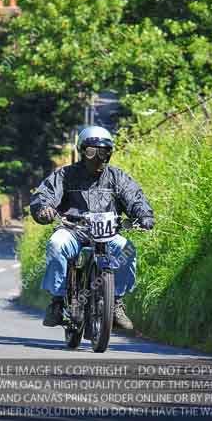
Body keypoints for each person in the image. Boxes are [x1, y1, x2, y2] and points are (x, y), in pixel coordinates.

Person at [30, 126, 155, 330]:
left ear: (110, 153)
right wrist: (43, 209)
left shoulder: (118, 177)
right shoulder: (64, 175)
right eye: (91, 151)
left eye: (103, 151)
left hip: (108, 235)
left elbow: (135, 198)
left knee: (127, 249)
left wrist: (144, 215)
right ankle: (57, 301)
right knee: (55, 244)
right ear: (82, 151)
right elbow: (44, 195)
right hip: (73, 231)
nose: (97, 157)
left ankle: (116, 304)